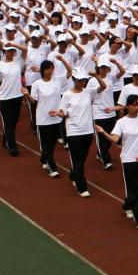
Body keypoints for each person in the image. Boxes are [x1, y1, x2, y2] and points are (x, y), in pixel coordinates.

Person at [96, 95, 138, 230]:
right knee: (133, 189)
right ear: (127, 106)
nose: (137, 107)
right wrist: (103, 132)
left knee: (137, 187)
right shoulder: (121, 122)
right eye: (134, 105)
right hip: (129, 160)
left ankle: (127, 206)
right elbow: (115, 139)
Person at [50, 67, 97, 197]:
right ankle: (82, 187)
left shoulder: (88, 92)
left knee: (82, 158)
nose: (82, 82)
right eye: (79, 80)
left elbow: (103, 87)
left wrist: (96, 75)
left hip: (88, 131)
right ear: (73, 79)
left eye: (84, 80)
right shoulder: (67, 95)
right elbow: (63, 113)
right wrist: (57, 113)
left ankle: (73, 174)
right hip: (73, 132)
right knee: (77, 160)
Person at [24, 60, 65, 177]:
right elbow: (33, 101)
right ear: (42, 70)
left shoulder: (57, 81)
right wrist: (27, 94)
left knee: (51, 144)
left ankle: (43, 158)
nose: (50, 71)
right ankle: (52, 168)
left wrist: (63, 60)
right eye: (47, 68)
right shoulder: (37, 84)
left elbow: (70, 72)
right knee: (46, 144)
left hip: (56, 119)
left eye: (51, 68)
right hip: (43, 120)